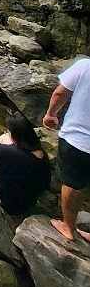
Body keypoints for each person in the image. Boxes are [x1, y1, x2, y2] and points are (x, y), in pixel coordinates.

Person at [42, 57, 90, 243]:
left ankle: (68, 227)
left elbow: (60, 93)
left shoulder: (85, 66)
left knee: (71, 183)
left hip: (77, 140)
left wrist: (50, 114)